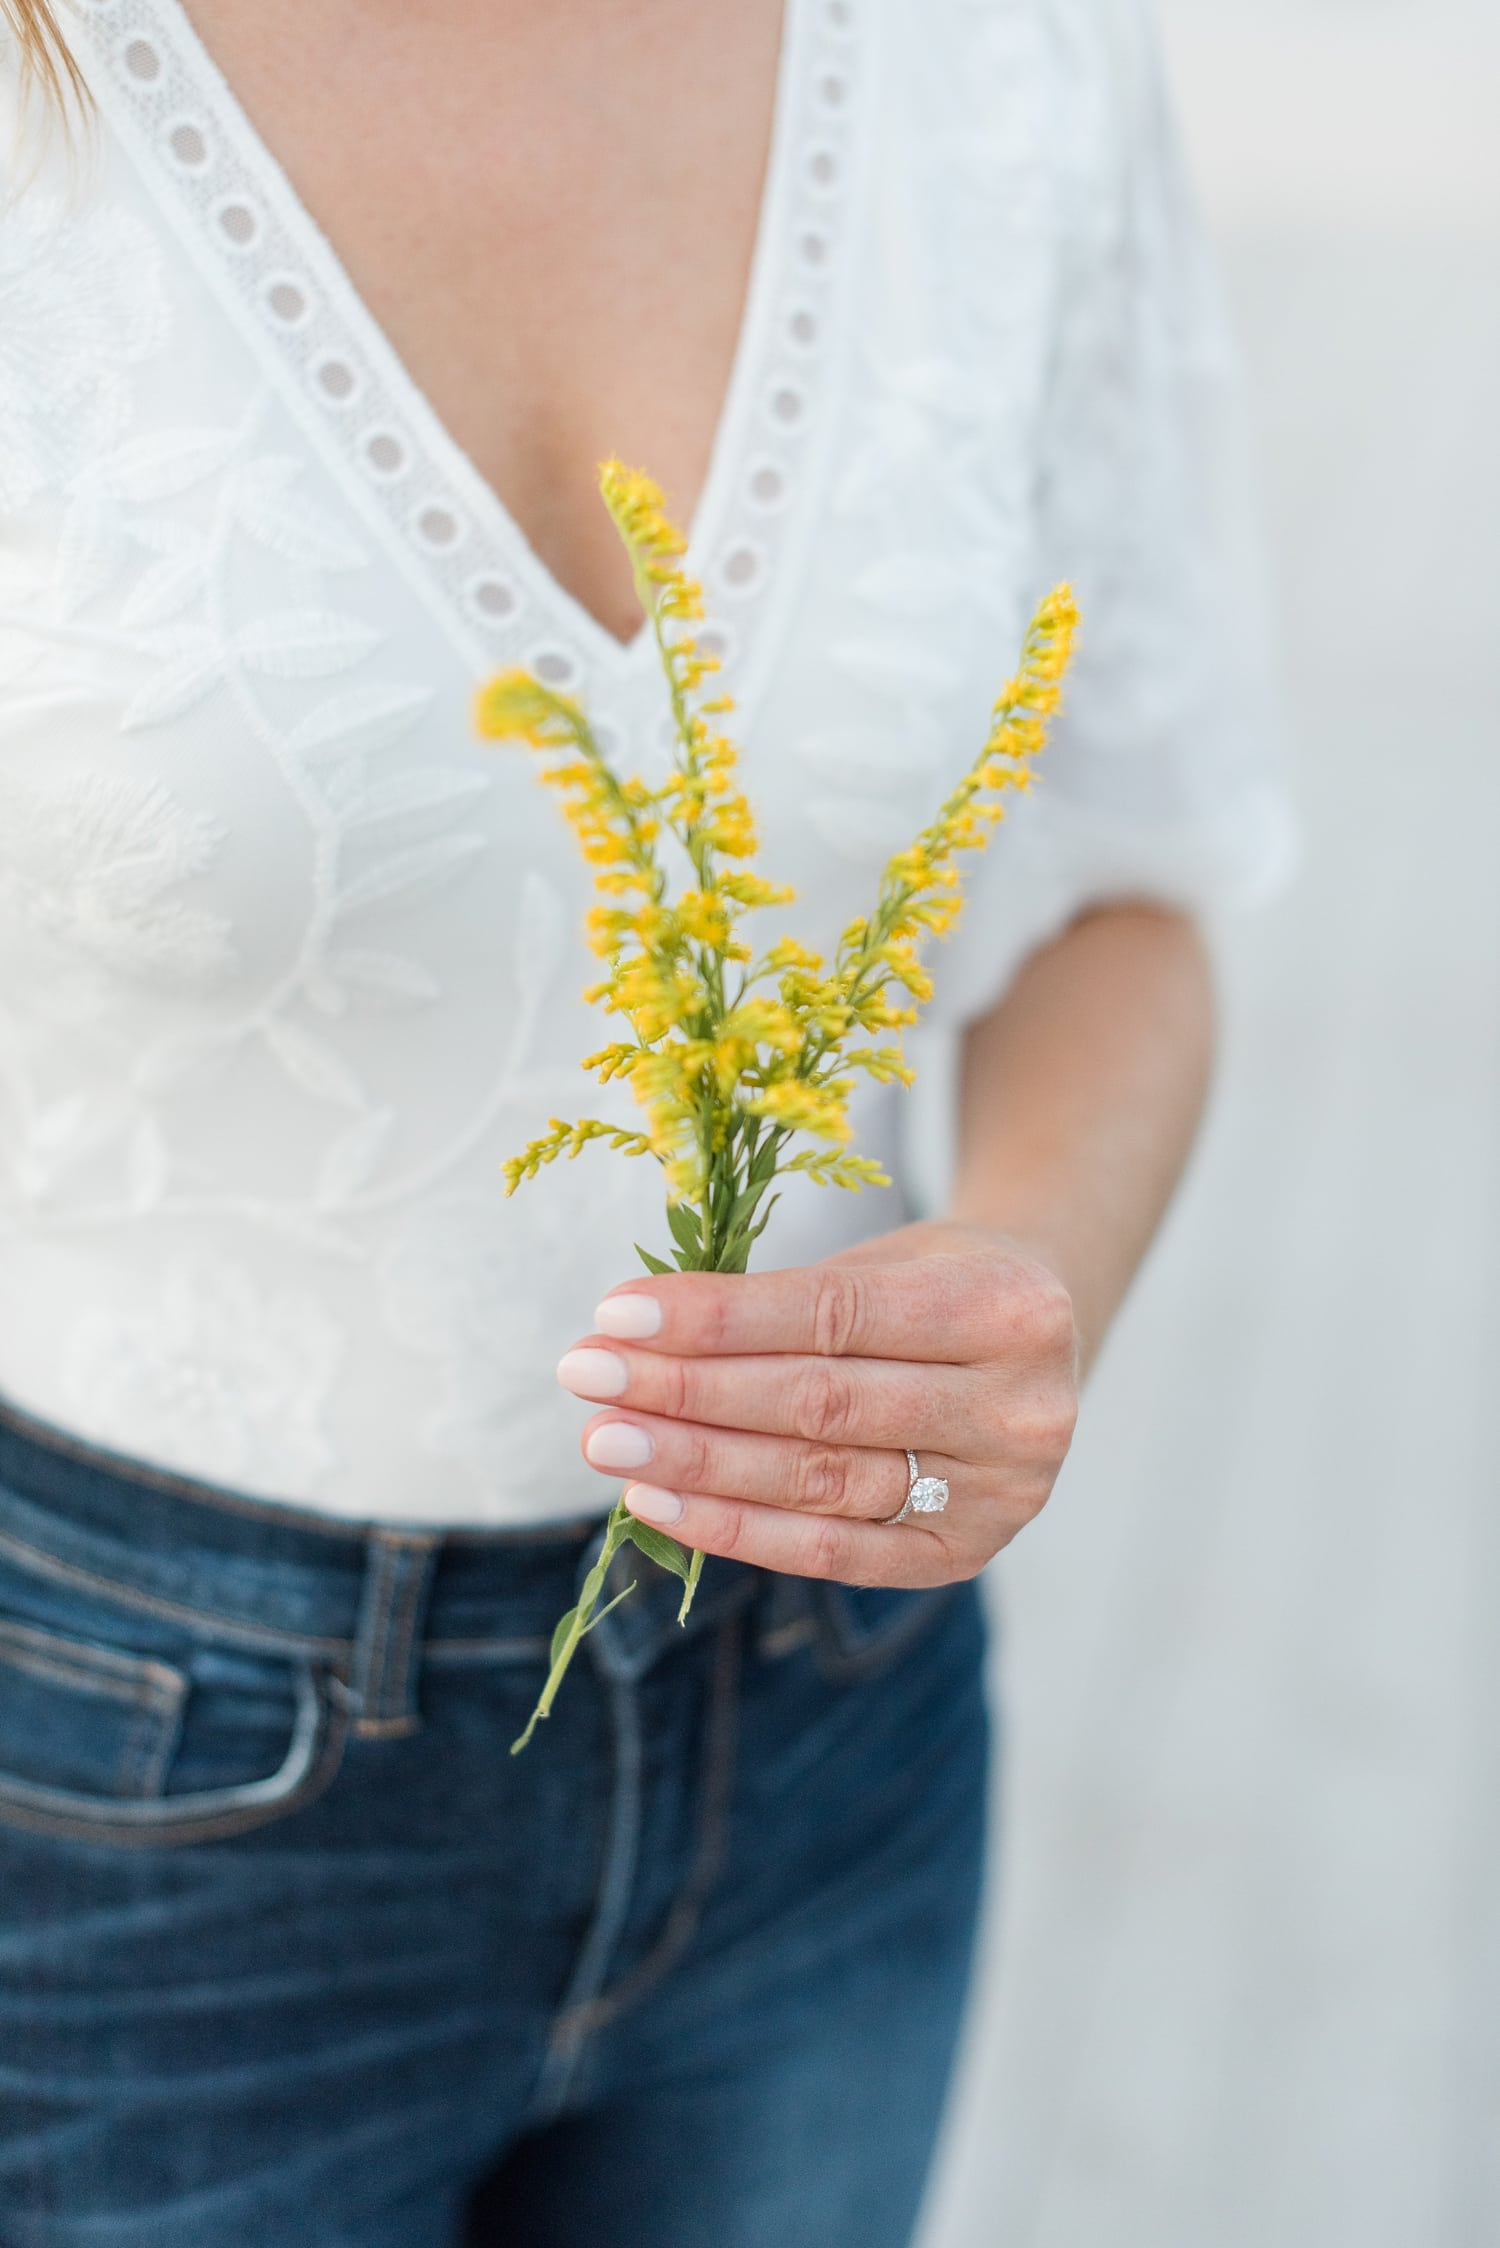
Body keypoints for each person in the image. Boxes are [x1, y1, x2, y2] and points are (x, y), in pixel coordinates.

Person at [0, 1, 1292, 2241]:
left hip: (830, 1726)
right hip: (108, 1790)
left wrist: (1027, 1269)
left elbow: (1127, 866)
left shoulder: (1008, 52)